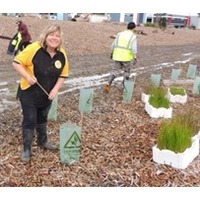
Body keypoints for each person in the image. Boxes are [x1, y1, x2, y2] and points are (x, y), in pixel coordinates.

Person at [12, 24, 69, 163]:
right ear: (46, 36)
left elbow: (63, 74)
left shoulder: (62, 53)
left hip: (46, 94)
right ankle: (26, 149)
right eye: (52, 35)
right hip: (29, 93)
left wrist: (55, 89)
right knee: (30, 119)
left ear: (60, 39)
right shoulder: (34, 48)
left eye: (57, 36)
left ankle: (43, 142)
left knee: (42, 118)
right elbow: (16, 62)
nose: (54, 38)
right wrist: (27, 76)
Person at [104, 22, 137, 93]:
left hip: (117, 56)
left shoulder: (119, 34)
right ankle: (125, 87)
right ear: (134, 28)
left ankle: (109, 83)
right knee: (126, 71)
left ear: (127, 27)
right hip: (126, 57)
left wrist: (112, 53)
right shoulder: (133, 36)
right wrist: (135, 57)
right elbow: (134, 49)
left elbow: (113, 45)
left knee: (115, 71)